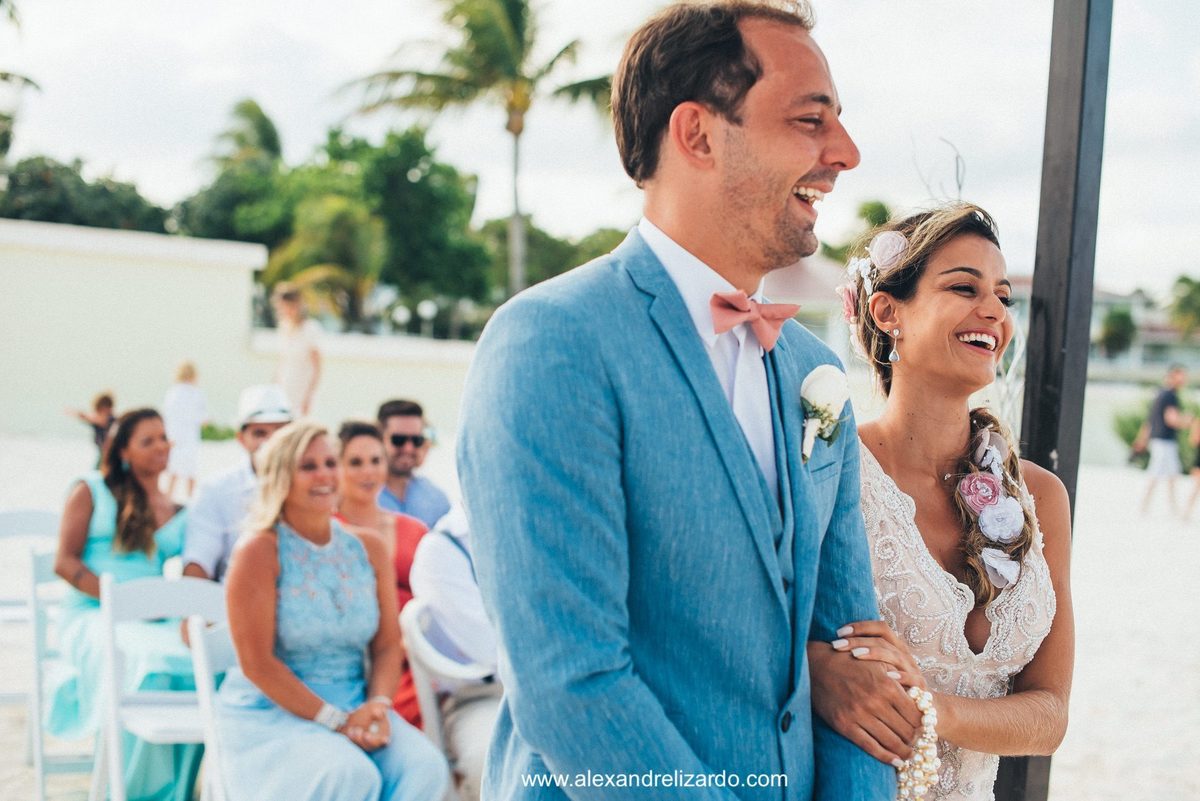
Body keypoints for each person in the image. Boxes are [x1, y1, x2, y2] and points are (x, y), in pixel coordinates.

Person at [458, 3, 897, 799]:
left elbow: (854, 659)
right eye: (811, 119)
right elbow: (572, 682)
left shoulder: (815, 370)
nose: (846, 153)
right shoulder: (552, 342)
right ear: (696, 133)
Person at [819, 203, 1074, 800]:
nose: (995, 312)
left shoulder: (1040, 496)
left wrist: (933, 708)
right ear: (888, 312)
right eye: (964, 288)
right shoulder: (833, 471)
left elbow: (1050, 716)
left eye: (1003, 296)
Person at [217, 421, 449, 801]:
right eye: (308, 467)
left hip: (356, 702)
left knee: (426, 768)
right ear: (281, 477)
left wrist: (378, 706)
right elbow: (257, 664)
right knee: (350, 774)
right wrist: (334, 721)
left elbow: (387, 646)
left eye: (330, 463)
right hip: (273, 712)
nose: (324, 475)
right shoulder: (258, 550)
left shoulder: (369, 548)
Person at [48, 408, 201, 800]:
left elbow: (198, 567)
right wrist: (121, 602)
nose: (161, 447)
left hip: (154, 619)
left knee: (197, 665)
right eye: (148, 441)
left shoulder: (178, 509)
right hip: (93, 613)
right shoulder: (90, 490)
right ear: (123, 451)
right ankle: (131, 790)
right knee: (148, 665)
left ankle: (177, 791)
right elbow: (64, 562)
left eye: (164, 437)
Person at [334, 420, 430, 727]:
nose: (368, 472)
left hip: (415, 651)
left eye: (376, 461)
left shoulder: (414, 529)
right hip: (358, 656)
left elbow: (434, 599)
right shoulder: (325, 532)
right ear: (338, 468)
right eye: (355, 462)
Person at [409, 506, 501, 801]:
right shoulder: (442, 548)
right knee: (495, 761)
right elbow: (489, 650)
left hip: (562, 682)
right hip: (481, 697)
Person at [182, 384, 293, 582]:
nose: (271, 442)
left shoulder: (315, 485)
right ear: (241, 438)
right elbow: (198, 560)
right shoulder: (215, 490)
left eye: (280, 433)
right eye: (260, 433)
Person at [376, 400, 450, 527]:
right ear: (378, 439)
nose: (408, 449)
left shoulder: (437, 500)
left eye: (416, 440)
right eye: (398, 440)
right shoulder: (357, 496)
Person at [1140, 364, 1191, 515]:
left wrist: (1143, 439)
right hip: (1165, 441)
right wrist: (1187, 421)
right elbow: (1171, 419)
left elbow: (1149, 420)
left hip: (1159, 440)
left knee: (1171, 475)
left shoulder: (1159, 393)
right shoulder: (1170, 396)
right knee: (1157, 473)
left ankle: (1172, 508)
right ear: (1172, 376)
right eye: (1181, 376)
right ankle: (1145, 506)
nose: (1184, 379)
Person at [272, 282, 322, 416]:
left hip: (302, 389)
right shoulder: (283, 327)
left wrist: (309, 397)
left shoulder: (310, 328)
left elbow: (317, 367)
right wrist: (274, 388)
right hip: (284, 388)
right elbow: (282, 362)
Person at [162, 361, 207, 498]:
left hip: (174, 436)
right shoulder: (196, 393)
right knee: (191, 471)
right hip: (190, 437)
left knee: (173, 471)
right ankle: (192, 500)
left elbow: (166, 416)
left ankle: (167, 498)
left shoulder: (172, 392)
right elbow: (202, 417)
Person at [66, 390, 116, 468]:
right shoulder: (102, 420)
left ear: (106, 408)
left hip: (110, 453)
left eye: (100, 411)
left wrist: (80, 414)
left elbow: (96, 419)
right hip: (103, 451)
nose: (98, 414)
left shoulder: (111, 420)